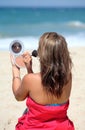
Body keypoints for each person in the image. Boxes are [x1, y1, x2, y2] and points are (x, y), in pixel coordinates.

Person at [10, 32, 75, 130]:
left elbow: (18, 96)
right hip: (62, 127)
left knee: (26, 112)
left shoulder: (30, 79)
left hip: (35, 127)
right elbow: (43, 87)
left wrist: (15, 69)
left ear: (43, 55)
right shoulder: (68, 77)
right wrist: (29, 69)